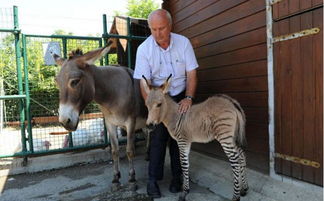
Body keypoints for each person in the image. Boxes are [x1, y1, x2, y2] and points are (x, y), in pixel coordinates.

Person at [133, 9, 198, 198]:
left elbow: (192, 74)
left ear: (170, 26)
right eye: (153, 29)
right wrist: (152, 106)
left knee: (180, 137)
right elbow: (143, 83)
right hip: (157, 98)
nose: (157, 33)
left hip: (179, 95)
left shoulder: (183, 43)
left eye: (161, 28)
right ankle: (153, 181)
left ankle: (177, 178)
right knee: (158, 138)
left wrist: (189, 98)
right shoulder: (144, 49)